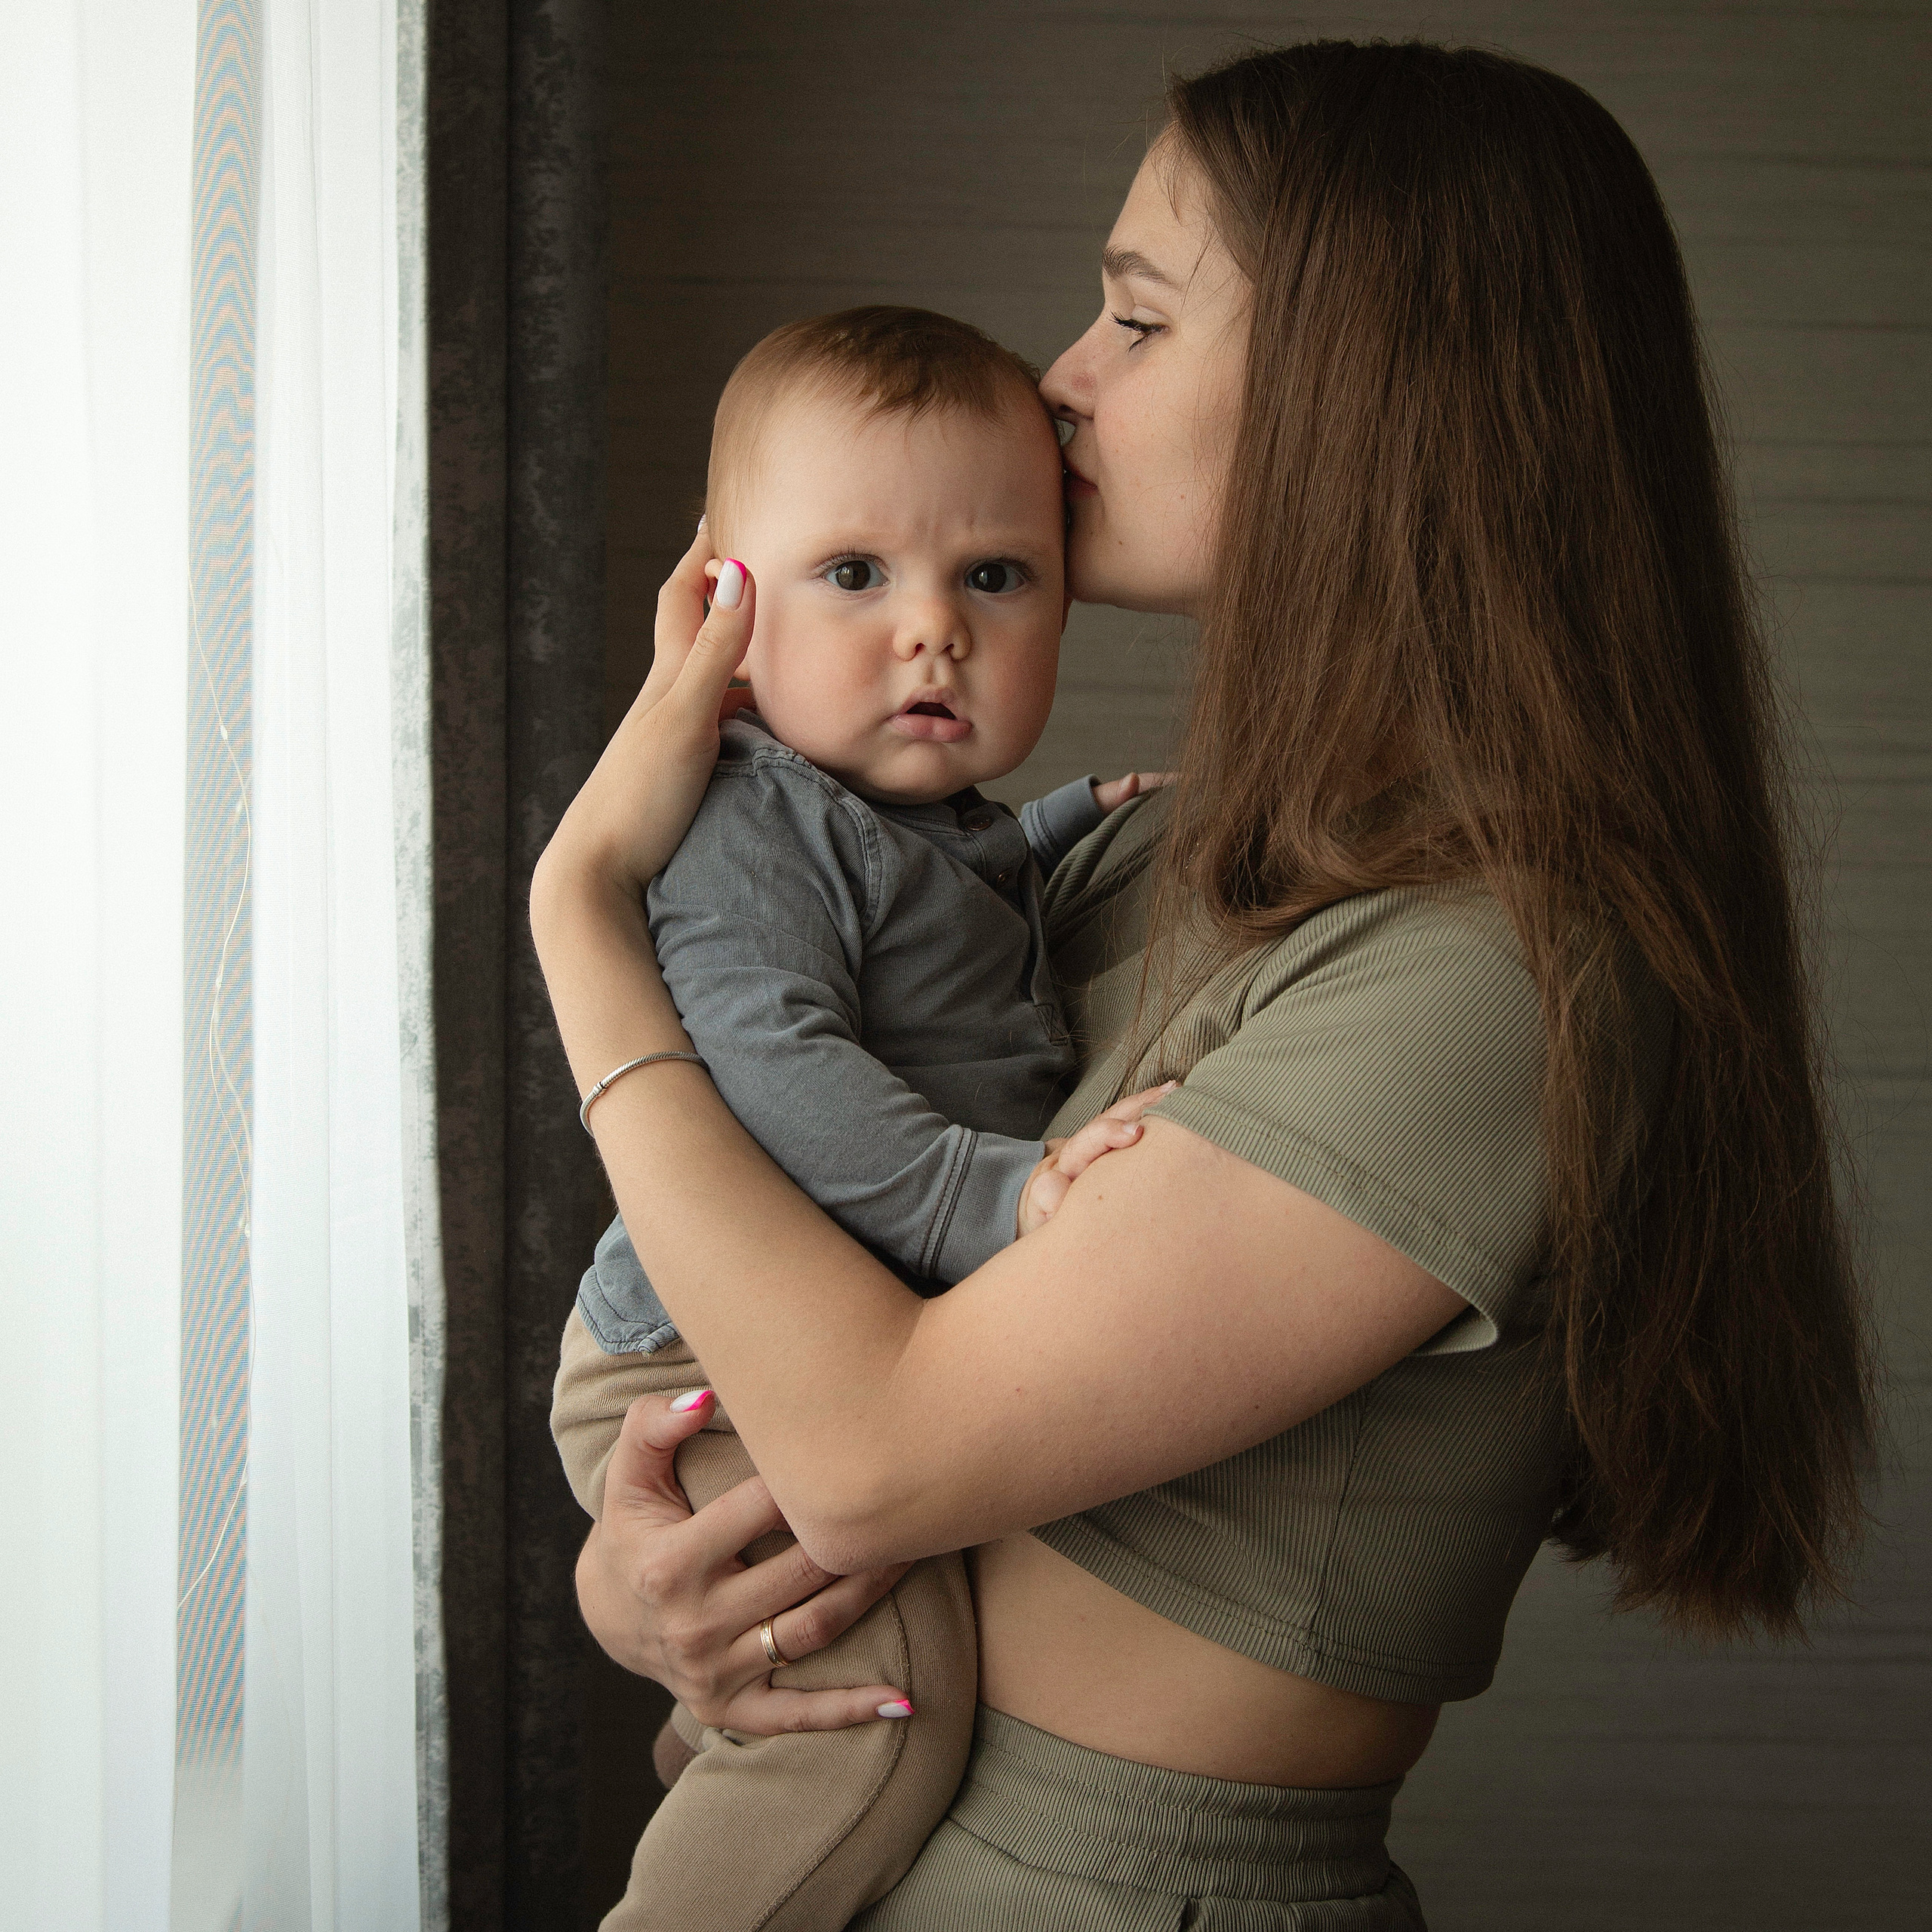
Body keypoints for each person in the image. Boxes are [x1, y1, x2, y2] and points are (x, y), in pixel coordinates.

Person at [534, 39, 1875, 1930]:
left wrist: (582, 915)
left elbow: (873, 1454)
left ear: (1365, 398)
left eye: (1135, 320)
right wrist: (643, 1575)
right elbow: (808, 1352)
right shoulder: (1148, 849)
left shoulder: (1494, 976)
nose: (1058, 378)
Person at [549, 303, 1169, 1932]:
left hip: (795, 1339)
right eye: (852, 574)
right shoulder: (748, 810)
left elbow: (936, 911)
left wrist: (1051, 826)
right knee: (867, 1733)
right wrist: (999, 1196)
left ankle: (711, 1762)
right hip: (697, 1356)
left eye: (992, 575)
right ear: (719, 612)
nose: (931, 632)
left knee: (781, 1700)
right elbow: (774, 1068)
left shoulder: (908, 816)